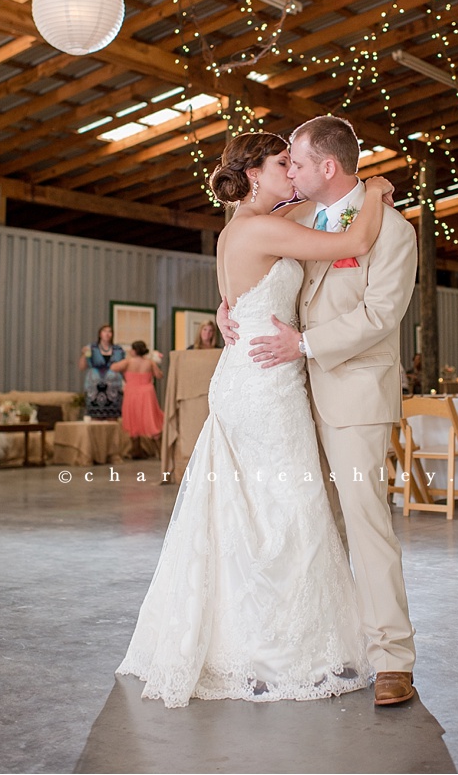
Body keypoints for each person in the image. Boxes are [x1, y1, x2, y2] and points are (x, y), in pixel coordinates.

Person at [116, 131, 393, 708]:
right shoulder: (261, 227)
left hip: (255, 374)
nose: (292, 173)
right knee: (288, 511)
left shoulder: (247, 223)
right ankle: (278, 651)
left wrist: (227, 307)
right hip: (265, 383)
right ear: (253, 175)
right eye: (282, 165)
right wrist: (377, 189)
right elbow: (359, 237)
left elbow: (257, 280)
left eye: (295, 163)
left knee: (254, 513)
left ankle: (247, 641)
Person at [220, 115, 418, 707]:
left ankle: (393, 660)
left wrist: (301, 344)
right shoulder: (296, 217)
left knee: (365, 522)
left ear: (326, 167)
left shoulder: (394, 232)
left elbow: (380, 317)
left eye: (298, 163)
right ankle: (327, 645)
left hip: (353, 394)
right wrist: (227, 306)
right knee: (312, 524)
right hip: (290, 393)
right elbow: (246, 253)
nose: (294, 174)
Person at [110, 341, 164, 459]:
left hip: (132, 392)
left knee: (134, 418)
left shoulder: (129, 361)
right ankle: (160, 452)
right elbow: (159, 375)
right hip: (147, 392)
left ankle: (135, 450)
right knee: (150, 418)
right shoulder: (150, 363)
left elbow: (114, 367)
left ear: (134, 350)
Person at [78, 325, 125, 420]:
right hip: (94, 386)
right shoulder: (92, 348)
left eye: (110, 332)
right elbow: (82, 367)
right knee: (95, 416)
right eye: (104, 331)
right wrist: (83, 354)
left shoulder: (118, 350)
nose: (107, 334)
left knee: (113, 416)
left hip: (113, 387)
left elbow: (124, 367)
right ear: (100, 334)